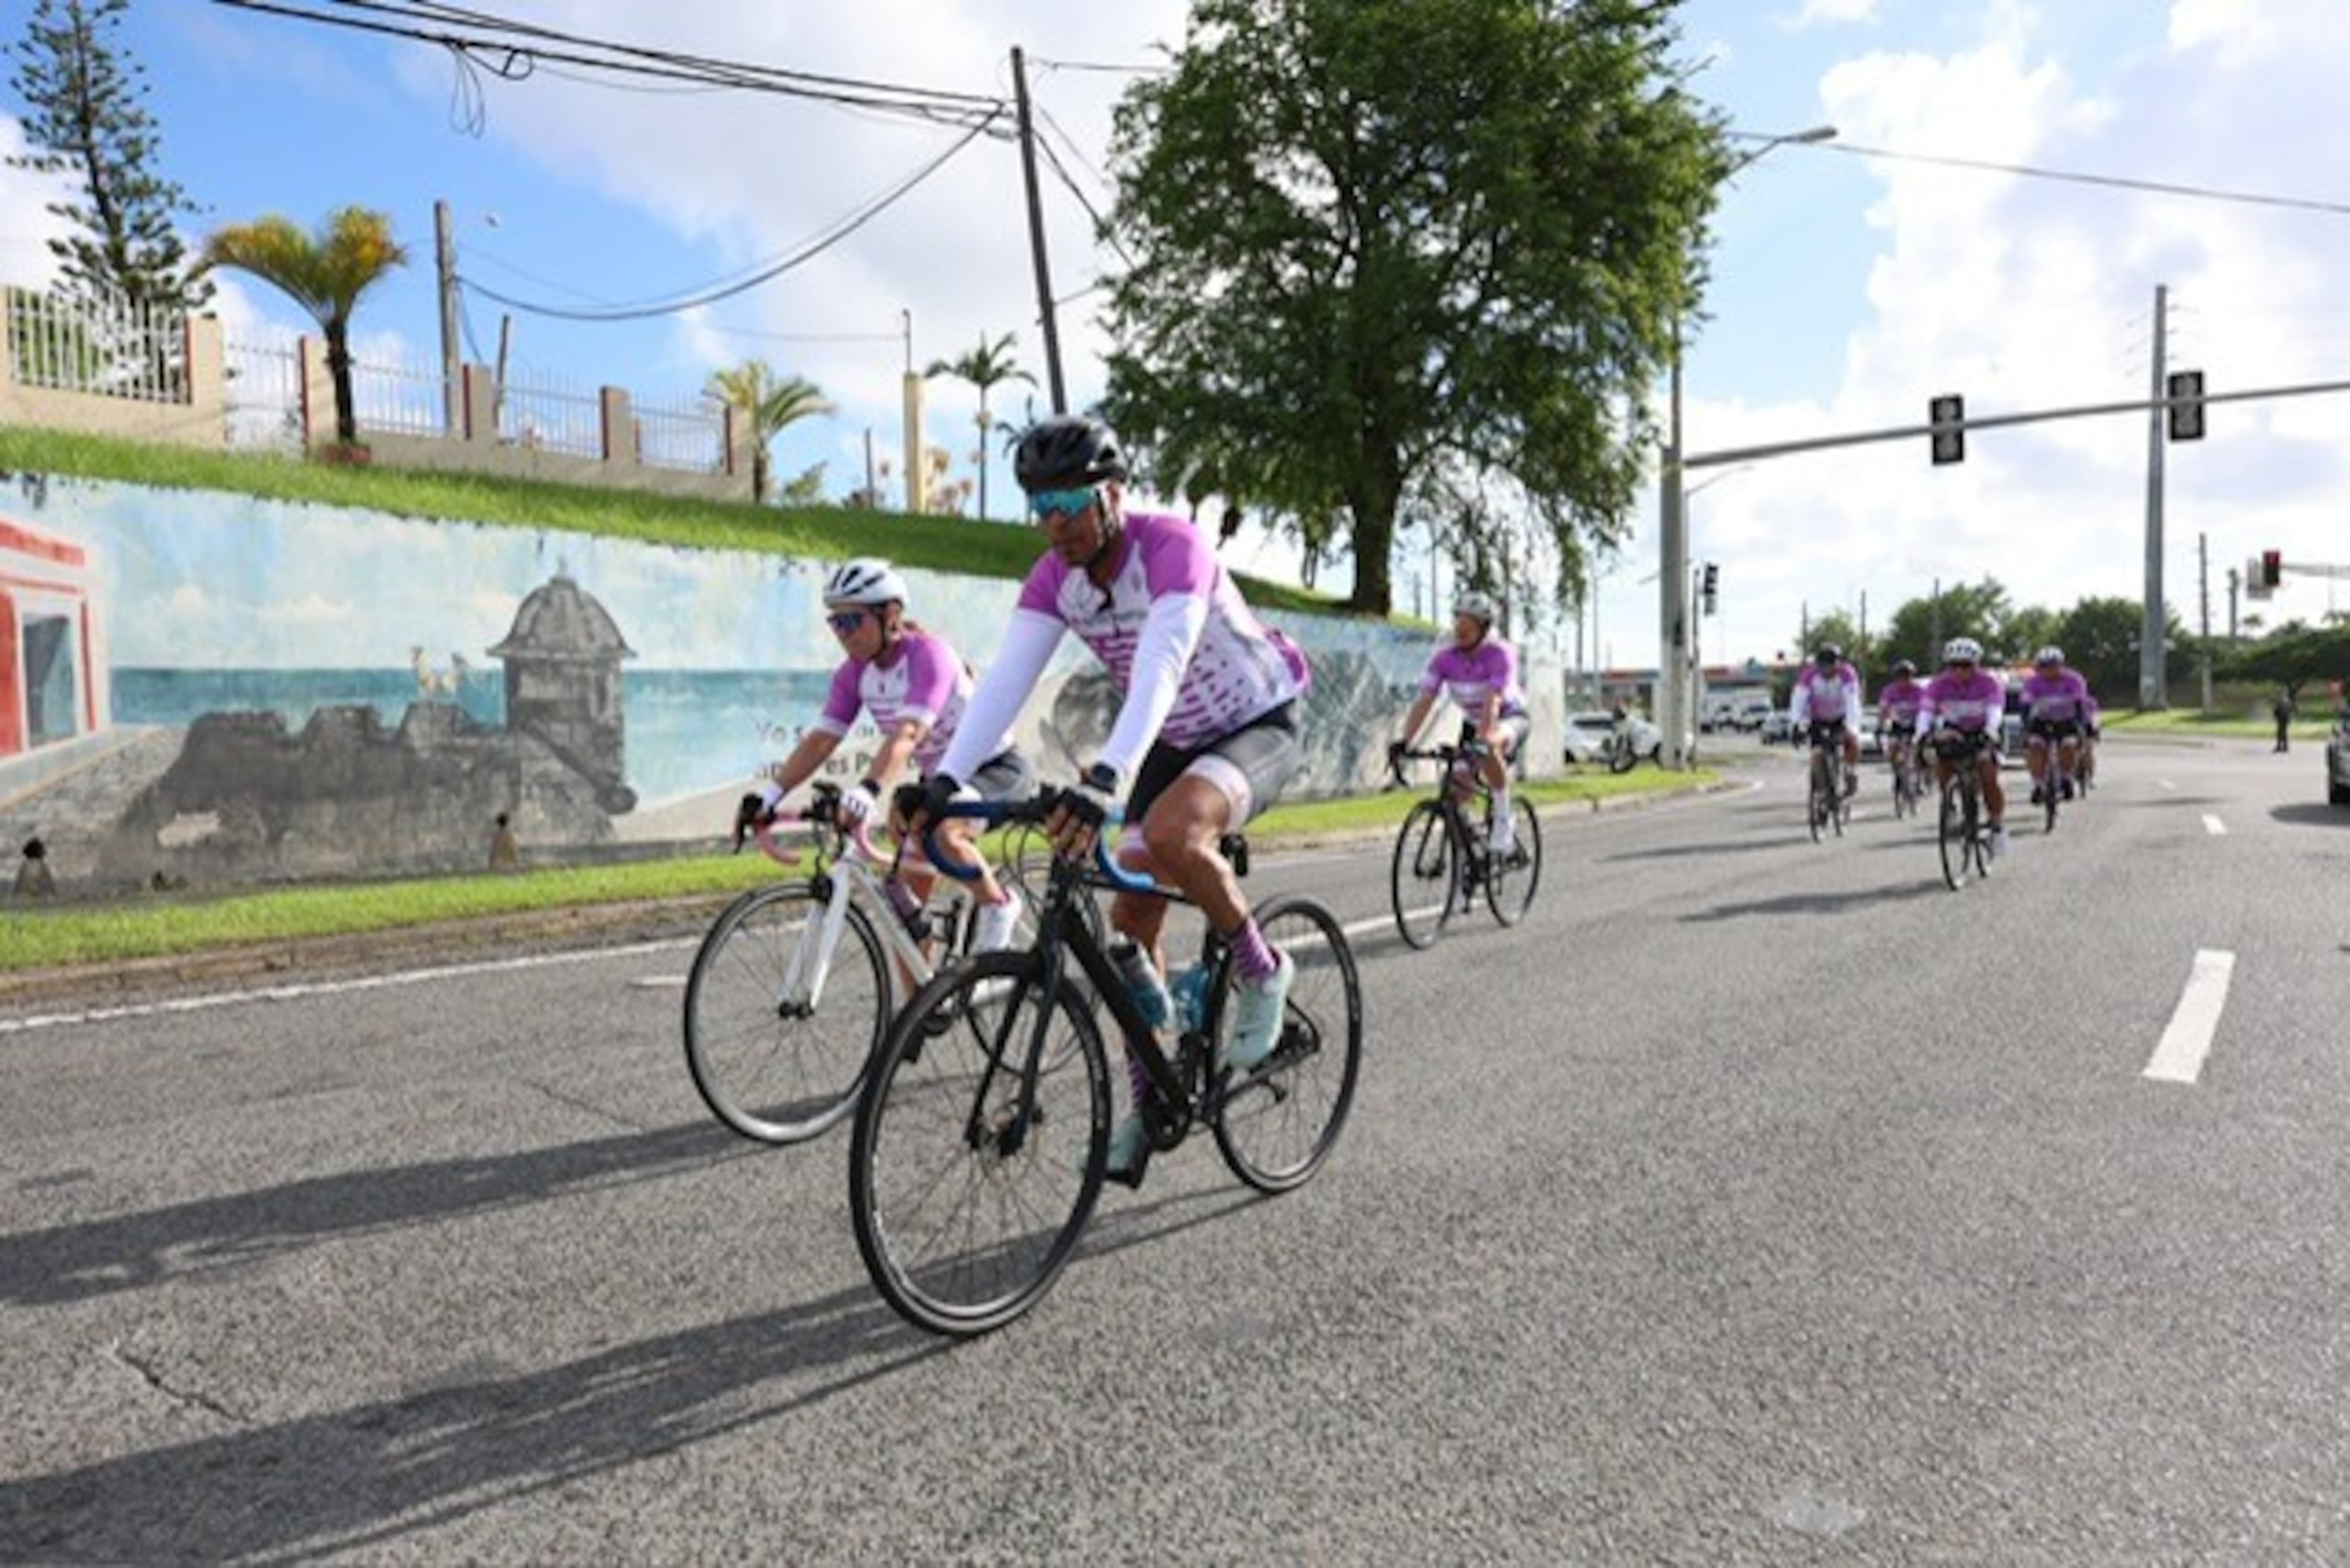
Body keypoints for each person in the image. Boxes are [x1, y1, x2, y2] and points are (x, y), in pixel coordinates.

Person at [919, 414, 1312, 1182]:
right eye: (1040, 504)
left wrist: (1108, 778)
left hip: (1254, 719)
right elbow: (1003, 685)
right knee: (1128, 930)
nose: (1055, 520)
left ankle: (1263, 970)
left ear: (1113, 494)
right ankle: (1148, 1103)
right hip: (1171, 738)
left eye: (1069, 498)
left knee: (1172, 835)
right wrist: (944, 783)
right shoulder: (1054, 578)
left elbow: (1162, 665)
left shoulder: (1172, 548)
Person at [746, 558, 1030, 953]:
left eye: (852, 621)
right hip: (940, 782)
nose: (842, 634)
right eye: (835, 622)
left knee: (945, 832)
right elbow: (820, 742)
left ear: (891, 615)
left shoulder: (929, 656)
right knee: (905, 918)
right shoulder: (853, 673)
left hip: (994, 768)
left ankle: (999, 905)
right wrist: (769, 795)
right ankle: (927, 1009)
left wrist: (867, 789)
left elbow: (908, 734)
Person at [1390, 591, 1529, 856]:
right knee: (1456, 787)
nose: (1461, 630)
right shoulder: (1445, 658)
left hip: (1509, 717)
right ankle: (1466, 858)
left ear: (1483, 628)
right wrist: (1404, 741)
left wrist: (1484, 738)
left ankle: (1503, 815)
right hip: (1473, 723)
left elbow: (1493, 701)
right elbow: (1425, 700)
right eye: (1458, 623)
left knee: (1488, 746)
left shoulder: (1498, 654)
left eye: (1469, 625)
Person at [1918, 637, 2009, 857]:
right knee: (1942, 761)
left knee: (1987, 771)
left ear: (1976, 665)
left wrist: (1990, 731)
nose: (1959, 671)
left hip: (1983, 729)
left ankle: (1996, 824)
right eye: (1954, 665)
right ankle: (1950, 804)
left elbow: (1995, 710)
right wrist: (1922, 735)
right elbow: (1926, 712)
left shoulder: (1989, 682)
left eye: (1966, 665)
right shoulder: (1938, 684)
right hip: (1954, 730)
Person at [2020, 646, 2092, 805]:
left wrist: (2082, 727)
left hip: (2067, 720)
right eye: (2044, 666)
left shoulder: (2074, 679)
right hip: (2042, 721)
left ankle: (2066, 778)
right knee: (2034, 746)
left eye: (2053, 665)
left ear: (2061, 665)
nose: (2049, 670)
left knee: (2069, 745)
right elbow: (2025, 706)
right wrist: (2025, 727)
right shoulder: (2033, 682)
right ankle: (2038, 784)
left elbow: (2080, 704)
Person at [1790, 644, 1863, 798]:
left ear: (1838, 663)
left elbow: (1852, 702)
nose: (1827, 670)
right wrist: (1796, 724)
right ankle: (1821, 790)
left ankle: (1850, 771)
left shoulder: (1847, 673)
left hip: (1841, 717)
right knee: (1817, 753)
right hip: (1817, 719)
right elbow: (1798, 701)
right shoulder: (1809, 675)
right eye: (1823, 666)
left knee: (1852, 743)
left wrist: (1852, 729)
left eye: (1831, 665)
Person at [1877, 657, 1928, 797]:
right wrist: (1881, 724)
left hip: (1916, 724)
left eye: (1907, 676)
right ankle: (1898, 774)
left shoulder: (1919, 690)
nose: (1904, 680)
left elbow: (1926, 709)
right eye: (1901, 676)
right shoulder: (1890, 690)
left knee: (1917, 750)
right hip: (1898, 724)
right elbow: (1884, 708)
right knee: (1893, 747)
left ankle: (1919, 778)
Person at [2275, 689, 2294, 753]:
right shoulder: (2289, 701)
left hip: (2281, 719)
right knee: (2285, 733)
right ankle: (2285, 747)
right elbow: (2291, 711)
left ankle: (2279, 746)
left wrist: (2276, 716)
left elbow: (2276, 710)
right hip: (2286, 719)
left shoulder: (2280, 701)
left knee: (2280, 733)